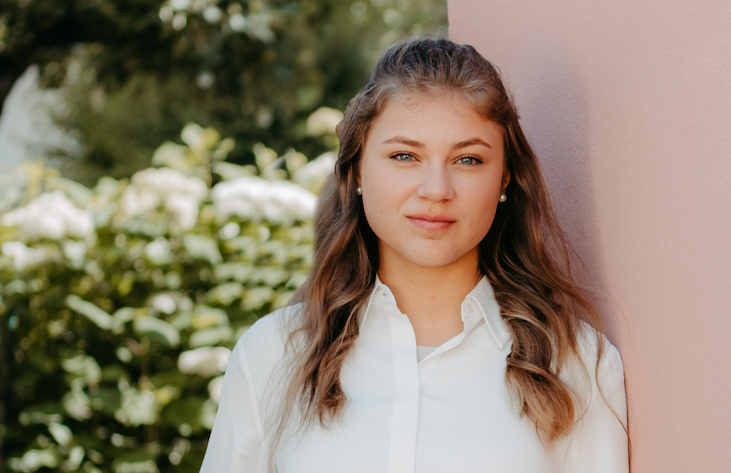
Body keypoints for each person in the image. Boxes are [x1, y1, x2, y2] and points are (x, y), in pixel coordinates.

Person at [200, 38, 628, 472]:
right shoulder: (270, 356)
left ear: (505, 179)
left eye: (468, 159)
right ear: (356, 169)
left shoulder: (578, 368)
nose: (436, 190)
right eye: (405, 155)